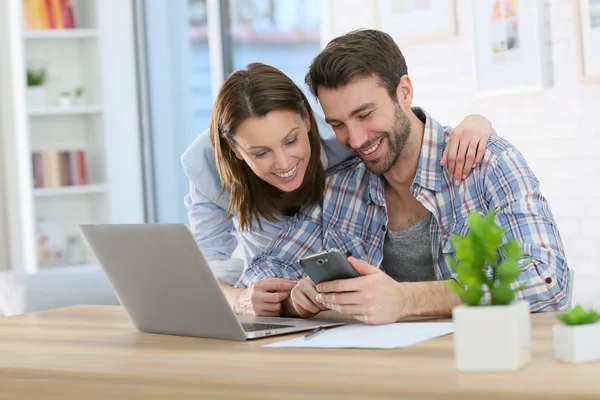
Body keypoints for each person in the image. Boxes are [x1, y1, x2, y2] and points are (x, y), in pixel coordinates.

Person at [236, 30, 570, 324]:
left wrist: (407, 300)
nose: (354, 139)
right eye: (337, 124)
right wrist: (296, 298)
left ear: (405, 92)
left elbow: (547, 278)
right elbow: (262, 272)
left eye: (365, 114)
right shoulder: (339, 189)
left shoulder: (489, 164)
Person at [181, 62, 496, 317]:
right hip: (296, 303)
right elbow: (217, 271)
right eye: (261, 153)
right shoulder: (207, 166)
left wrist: (476, 122)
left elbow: (398, 128)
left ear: (307, 120)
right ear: (235, 150)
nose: (283, 162)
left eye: (291, 141)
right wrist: (249, 299)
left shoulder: (347, 145)